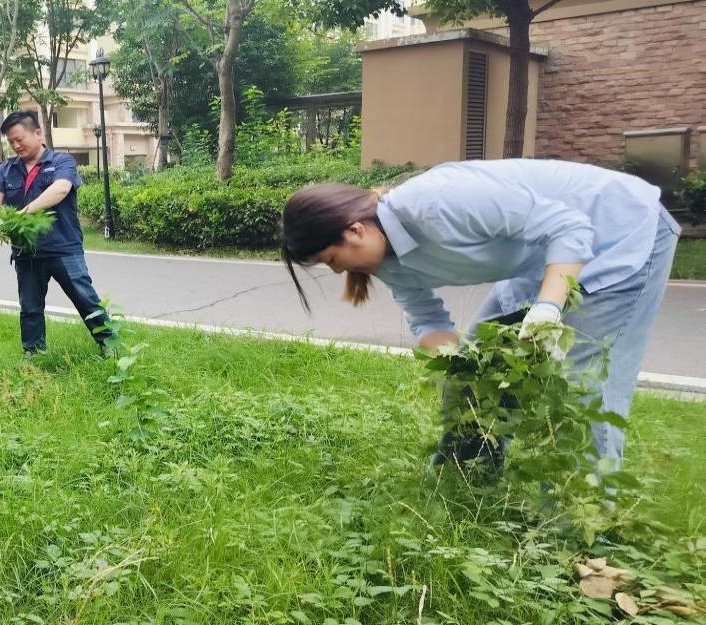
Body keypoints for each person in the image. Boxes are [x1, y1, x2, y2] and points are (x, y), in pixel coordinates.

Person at [279, 159, 680, 471]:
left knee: (578, 381)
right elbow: (426, 318)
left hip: (619, 229)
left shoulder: (436, 202)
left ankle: (581, 518)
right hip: (538, 257)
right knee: (471, 374)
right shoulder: (385, 260)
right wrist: (454, 362)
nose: (338, 272)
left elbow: (567, 226)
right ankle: (468, 479)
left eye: (332, 260)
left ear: (354, 231)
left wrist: (547, 307)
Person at [0, 111, 115, 356]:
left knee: (86, 299)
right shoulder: (6, 169)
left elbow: (61, 189)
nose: (16, 145)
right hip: (26, 252)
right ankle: (34, 356)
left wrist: (23, 214)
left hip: (63, 247)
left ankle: (111, 346)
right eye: (11, 142)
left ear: (38, 133)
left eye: (20, 139)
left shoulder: (62, 161)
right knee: (30, 308)